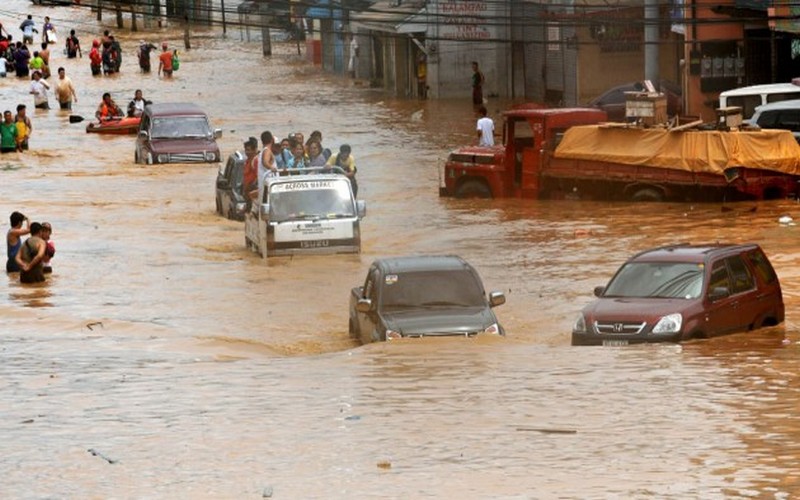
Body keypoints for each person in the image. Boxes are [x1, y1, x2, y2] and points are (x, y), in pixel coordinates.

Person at [256, 131, 278, 201]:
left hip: (265, 185)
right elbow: (265, 162)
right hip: (269, 186)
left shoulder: (262, 152)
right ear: (272, 140)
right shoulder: (267, 151)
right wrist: (272, 168)